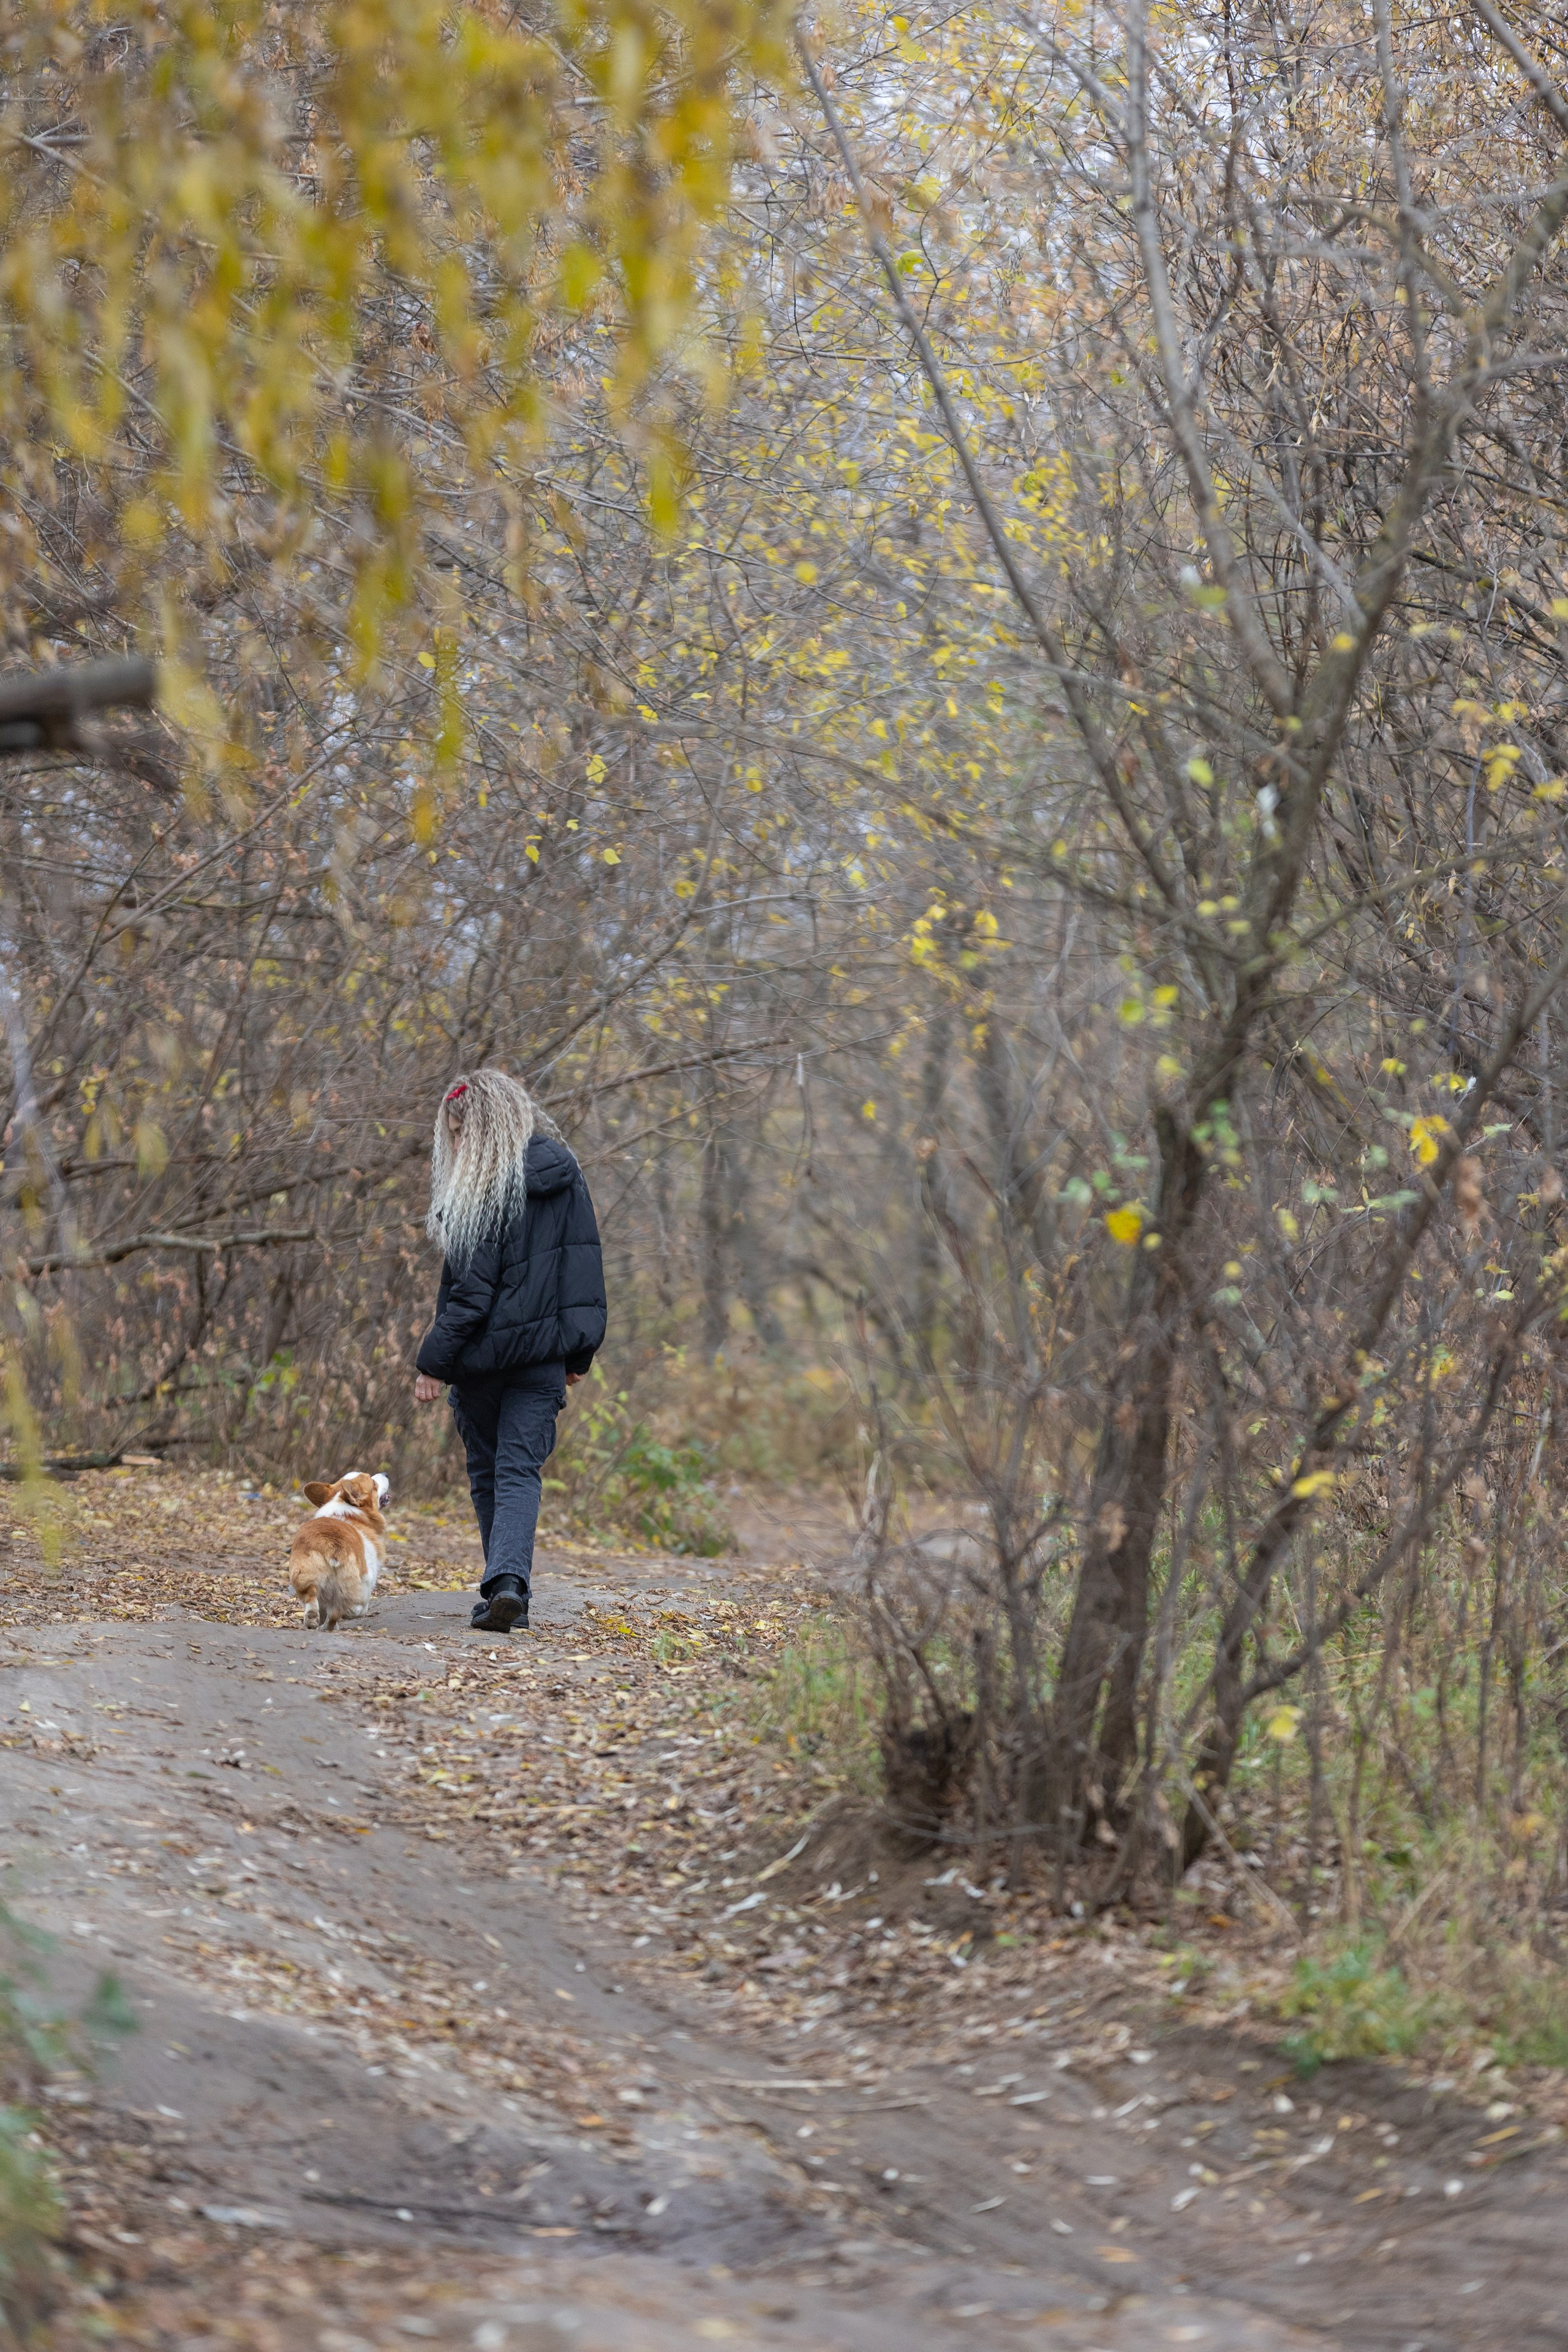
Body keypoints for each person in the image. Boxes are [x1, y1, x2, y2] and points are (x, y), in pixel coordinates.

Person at [412, 1069, 606, 1633]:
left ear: (482, 1129)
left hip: (482, 1364)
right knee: (520, 1469)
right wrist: (578, 1357)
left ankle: (504, 1587)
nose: (453, 1145)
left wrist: (432, 1362)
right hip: (542, 1361)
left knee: (489, 1472)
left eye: (458, 1133)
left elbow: (471, 1296)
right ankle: (507, 1587)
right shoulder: (566, 1174)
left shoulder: (481, 1191)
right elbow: (584, 1272)